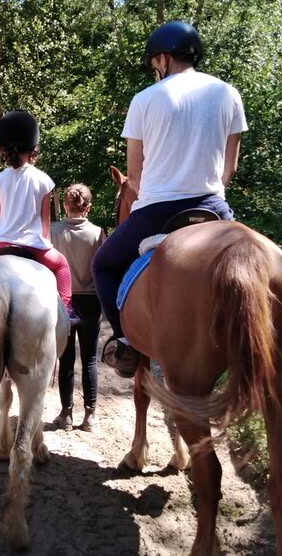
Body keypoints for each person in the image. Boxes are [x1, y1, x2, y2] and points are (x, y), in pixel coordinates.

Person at [92, 20, 247, 378]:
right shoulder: (227, 93)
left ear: (162, 59)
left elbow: (135, 175)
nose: (154, 70)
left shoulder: (145, 99)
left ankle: (125, 342)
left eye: (153, 64)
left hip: (158, 211)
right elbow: (230, 167)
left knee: (103, 265)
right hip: (213, 207)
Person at [0, 110, 78, 324]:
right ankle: (66, 310)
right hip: (34, 245)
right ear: (33, 146)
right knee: (62, 265)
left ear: (3, 148)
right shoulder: (43, 180)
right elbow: (45, 222)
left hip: (0, 243)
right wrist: (46, 244)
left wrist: (2, 237)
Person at [50, 184, 106, 431]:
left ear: (65, 205)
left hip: (62, 301)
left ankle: (67, 414)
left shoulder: (53, 232)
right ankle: (91, 416)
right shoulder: (97, 233)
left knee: (66, 359)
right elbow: (103, 268)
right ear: (88, 207)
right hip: (91, 300)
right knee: (90, 359)